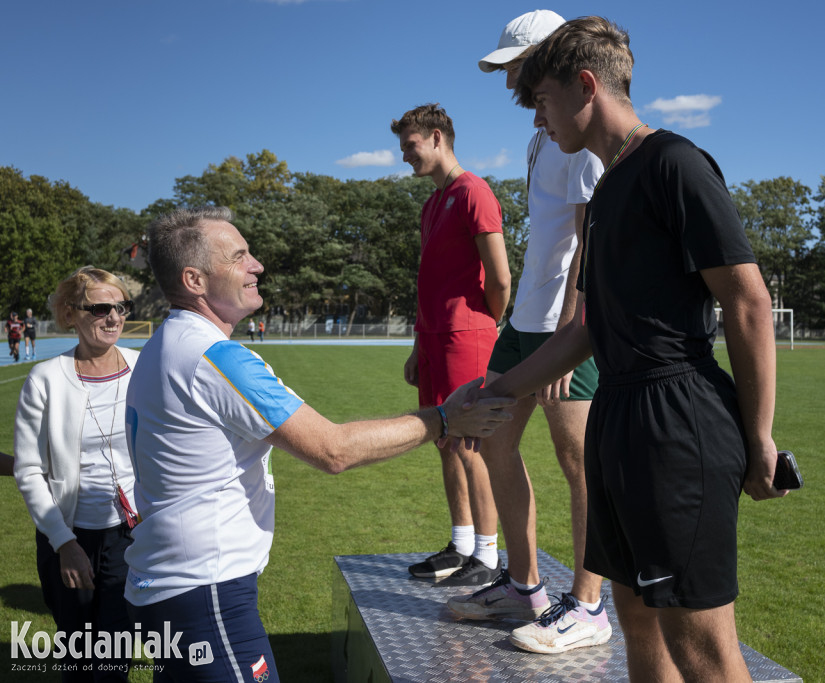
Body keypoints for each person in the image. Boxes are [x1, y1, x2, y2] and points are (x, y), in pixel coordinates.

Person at [478, 17, 787, 680]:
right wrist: (498, 388)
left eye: (543, 101)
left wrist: (760, 435)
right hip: (617, 415)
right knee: (637, 620)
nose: (539, 120)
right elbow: (590, 329)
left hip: (676, 421)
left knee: (702, 647)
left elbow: (748, 301)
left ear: (586, 86)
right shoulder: (610, 185)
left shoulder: (673, 163)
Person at [124, 206, 512, 682]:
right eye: (239, 257)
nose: (257, 266)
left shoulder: (165, 344)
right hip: (206, 592)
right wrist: (446, 417)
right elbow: (333, 449)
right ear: (195, 280)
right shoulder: (214, 357)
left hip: (173, 586)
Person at [446, 9, 610, 654]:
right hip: (524, 322)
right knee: (491, 439)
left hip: (564, 327)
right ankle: (524, 587)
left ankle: (590, 606)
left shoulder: (582, 136)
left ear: (553, 56)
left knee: (580, 464)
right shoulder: (543, 134)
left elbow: (589, 237)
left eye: (516, 62)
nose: (508, 75)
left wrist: (572, 328)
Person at [391, 104, 513, 586]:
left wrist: (483, 327)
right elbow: (433, 282)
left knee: (470, 445)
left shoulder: (474, 192)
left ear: (437, 137)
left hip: (468, 338)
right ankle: (461, 545)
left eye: (410, 145)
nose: (404, 156)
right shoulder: (431, 203)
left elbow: (500, 278)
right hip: (435, 340)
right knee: (444, 440)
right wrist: (420, 346)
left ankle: (486, 555)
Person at [14, 267, 141, 682]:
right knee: (77, 654)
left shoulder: (145, 370)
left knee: (114, 655)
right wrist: (64, 544)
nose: (114, 317)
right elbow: (29, 469)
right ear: (71, 313)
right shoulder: (46, 379)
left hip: (132, 534)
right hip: (67, 536)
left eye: (121, 307)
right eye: (101, 308)